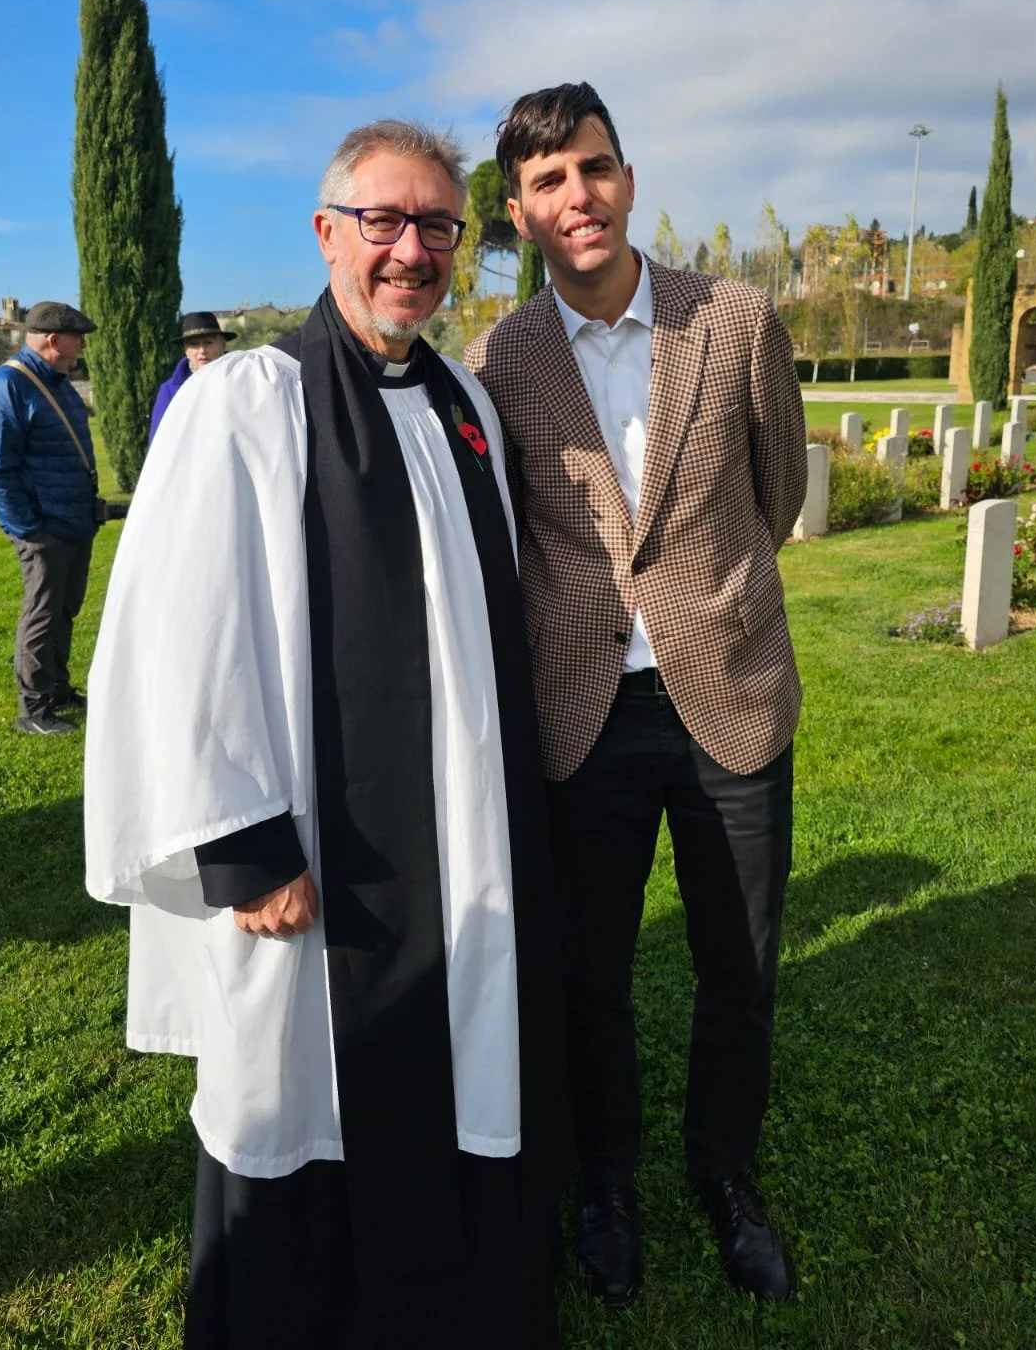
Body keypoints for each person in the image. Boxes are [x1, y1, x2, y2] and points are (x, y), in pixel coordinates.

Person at [84, 120, 572, 1350]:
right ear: (329, 233)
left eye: (437, 227)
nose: (411, 251)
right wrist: (242, 843)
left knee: (463, 1051)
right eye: (383, 223)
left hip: (459, 831)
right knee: (302, 1083)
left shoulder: (462, 402)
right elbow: (180, 630)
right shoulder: (243, 405)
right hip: (313, 849)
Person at [465, 82, 807, 1306]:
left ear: (627, 175)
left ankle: (727, 1175)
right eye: (549, 182)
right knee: (587, 975)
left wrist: (703, 602)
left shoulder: (735, 319)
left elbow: (782, 493)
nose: (580, 196)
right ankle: (604, 1182)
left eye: (595, 168)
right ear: (518, 212)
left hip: (732, 696)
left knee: (740, 966)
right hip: (582, 713)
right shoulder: (499, 360)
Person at [0, 300, 101, 736]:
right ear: (53, 340)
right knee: (42, 614)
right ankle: (32, 708)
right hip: (44, 529)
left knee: (65, 610)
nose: (82, 344)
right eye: (77, 337)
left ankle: (58, 689)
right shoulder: (9, 384)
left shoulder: (59, 383)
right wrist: (28, 527)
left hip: (73, 523)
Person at [147, 311, 237, 444]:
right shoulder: (170, 390)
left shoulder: (242, 381)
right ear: (185, 350)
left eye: (208, 342)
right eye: (194, 344)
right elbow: (158, 444)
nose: (202, 351)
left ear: (223, 345)